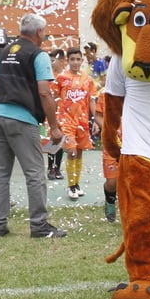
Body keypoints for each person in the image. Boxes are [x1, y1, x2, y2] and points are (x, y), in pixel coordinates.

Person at [0, 13, 66, 238]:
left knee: (1, 173)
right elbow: (45, 92)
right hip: (21, 119)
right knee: (35, 173)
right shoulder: (38, 54)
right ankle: (39, 226)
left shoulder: (4, 52)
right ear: (40, 32)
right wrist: (54, 127)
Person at [55, 47, 98, 199]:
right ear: (68, 61)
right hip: (67, 122)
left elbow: (92, 100)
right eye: (72, 59)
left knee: (79, 152)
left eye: (78, 59)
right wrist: (53, 122)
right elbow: (54, 99)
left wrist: (96, 120)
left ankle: (76, 184)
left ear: (82, 60)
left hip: (83, 122)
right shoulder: (61, 78)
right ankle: (71, 186)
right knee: (71, 152)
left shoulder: (88, 79)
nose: (75, 62)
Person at [93, 87, 118, 222]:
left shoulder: (137, 89)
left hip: (134, 142)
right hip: (112, 143)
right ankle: (110, 202)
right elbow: (98, 115)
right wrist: (110, 129)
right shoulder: (106, 93)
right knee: (112, 181)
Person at [46, 48, 66, 180]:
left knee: (61, 141)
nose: (51, 63)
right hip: (51, 112)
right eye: (50, 60)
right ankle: (50, 167)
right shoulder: (48, 76)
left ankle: (57, 168)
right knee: (52, 139)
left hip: (64, 113)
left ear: (62, 61)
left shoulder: (66, 77)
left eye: (53, 60)